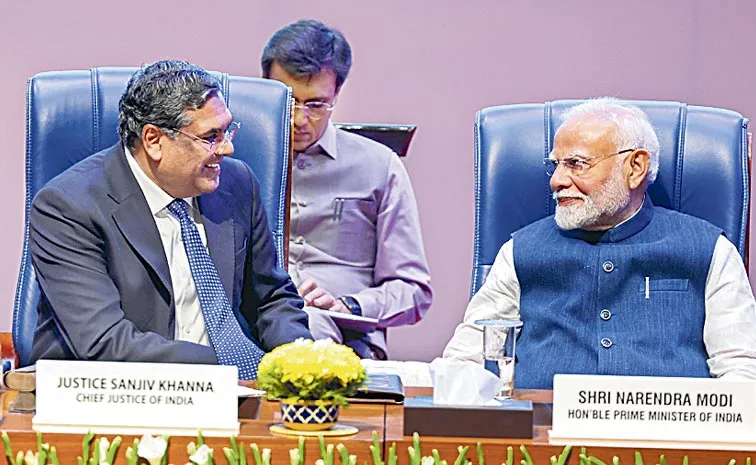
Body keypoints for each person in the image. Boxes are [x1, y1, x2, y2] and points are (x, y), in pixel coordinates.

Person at [443, 97, 756, 388]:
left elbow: (741, 370)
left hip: (671, 441)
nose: (557, 181)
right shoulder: (520, 251)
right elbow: (466, 362)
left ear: (635, 167)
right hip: (543, 440)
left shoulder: (709, 250)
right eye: (556, 165)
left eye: (577, 164)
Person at [29, 60, 312, 378]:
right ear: (153, 140)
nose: (228, 148)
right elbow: (106, 344)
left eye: (227, 130)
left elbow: (270, 298)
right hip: (115, 398)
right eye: (211, 137)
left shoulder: (236, 184)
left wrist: (299, 360)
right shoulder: (68, 207)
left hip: (237, 397)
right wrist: (237, 368)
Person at [261, 20, 432, 359]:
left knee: (309, 323)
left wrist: (348, 304)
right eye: (289, 100)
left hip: (346, 338)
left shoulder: (379, 166)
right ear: (265, 87)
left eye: (316, 104)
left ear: (337, 94)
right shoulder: (236, 161)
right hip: (256, 323)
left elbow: (413, 291)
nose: (299, 119)